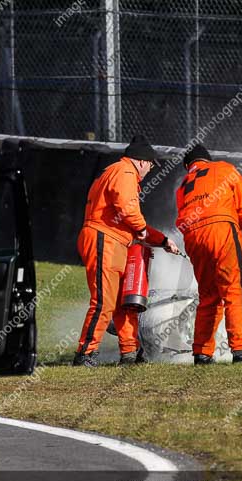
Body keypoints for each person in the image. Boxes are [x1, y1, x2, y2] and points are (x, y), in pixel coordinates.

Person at [74, 135, 179, 367]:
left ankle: (130, 353)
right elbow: (128, 209)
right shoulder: (126, 172)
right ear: (142, 161)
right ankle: (84, 354)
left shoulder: (113, 172)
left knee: (126, 302)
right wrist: (141, 228)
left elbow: (130, 220)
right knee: (104, 302)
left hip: (113, 241)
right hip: (104, 240)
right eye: (151, 165)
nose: (150, 170)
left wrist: (163, 241)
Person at [176, 144, 242, 365]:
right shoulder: (223, 168)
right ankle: (240, 350)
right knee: (235, 290)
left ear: (188, 166)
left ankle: (202, 353)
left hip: (193, 237)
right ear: (207, 159)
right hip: (221, 229)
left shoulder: (183, 185)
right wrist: (233, 223)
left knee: (209, 296)